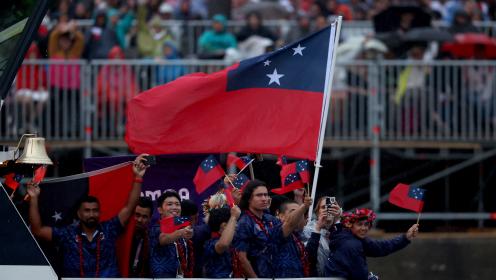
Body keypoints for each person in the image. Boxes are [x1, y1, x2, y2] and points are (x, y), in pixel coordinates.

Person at [27, 154, 149, 277]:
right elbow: (37, 230)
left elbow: (130, 206)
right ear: (79, 214)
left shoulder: (110, 229)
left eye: (95, 210)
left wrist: (138, 176)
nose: (91, 214)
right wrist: (33, 197)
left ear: (100, 212)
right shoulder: (67, 234)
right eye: (87, 210)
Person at [233, 180, 310, 278]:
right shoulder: (244, 222)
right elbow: (241, 258)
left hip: (277, 274)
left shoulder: (271, 219)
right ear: (249, 198)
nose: (264, 198)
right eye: (259, 195)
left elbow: (289, 226)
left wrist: (303, 206)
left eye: (266, 195)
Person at [325, 208, 419, 280]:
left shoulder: (352, 237)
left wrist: (406, 237)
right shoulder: (352, 244)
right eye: (360, 224)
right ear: (350, 225)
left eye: (366, 224)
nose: (364, 228)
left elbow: (381, 247)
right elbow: (359, 276)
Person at [149, 191, 194, 278]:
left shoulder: (182, 226)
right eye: (169, 204)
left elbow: (191, 230)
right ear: (160, 210)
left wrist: (189, 233)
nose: (174, 207)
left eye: (177, 204)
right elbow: (163, 239)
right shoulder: (156, 228)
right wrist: (180, 232)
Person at [273, 198, 316, 277]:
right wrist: (304, 206)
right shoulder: (277, 231)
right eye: (293, 211)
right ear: (280, 216)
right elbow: (290, 223)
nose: (299, 214)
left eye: (301, 212)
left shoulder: (298, 237)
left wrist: (318, 230)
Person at [302, 196, 342, 276]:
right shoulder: (308, 230)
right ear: (317, 212)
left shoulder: (341, 230)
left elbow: (342, 252)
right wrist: (318, 229)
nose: (327, 210)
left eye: (331, 207)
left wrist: (338, 220)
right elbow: (308, 257)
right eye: (324, 207)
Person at [203, 205, 241, 278]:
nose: (236, 225)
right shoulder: (211, 243)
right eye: (234, 223)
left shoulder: (232, 242)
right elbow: (223, 244)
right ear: (224, 226)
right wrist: (233, 217)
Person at [129, 197, 153, 277]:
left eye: (144, 217)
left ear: (150, 218)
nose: (139, 220)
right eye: (137, 215)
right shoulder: (121, 237)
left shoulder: (152, 239)